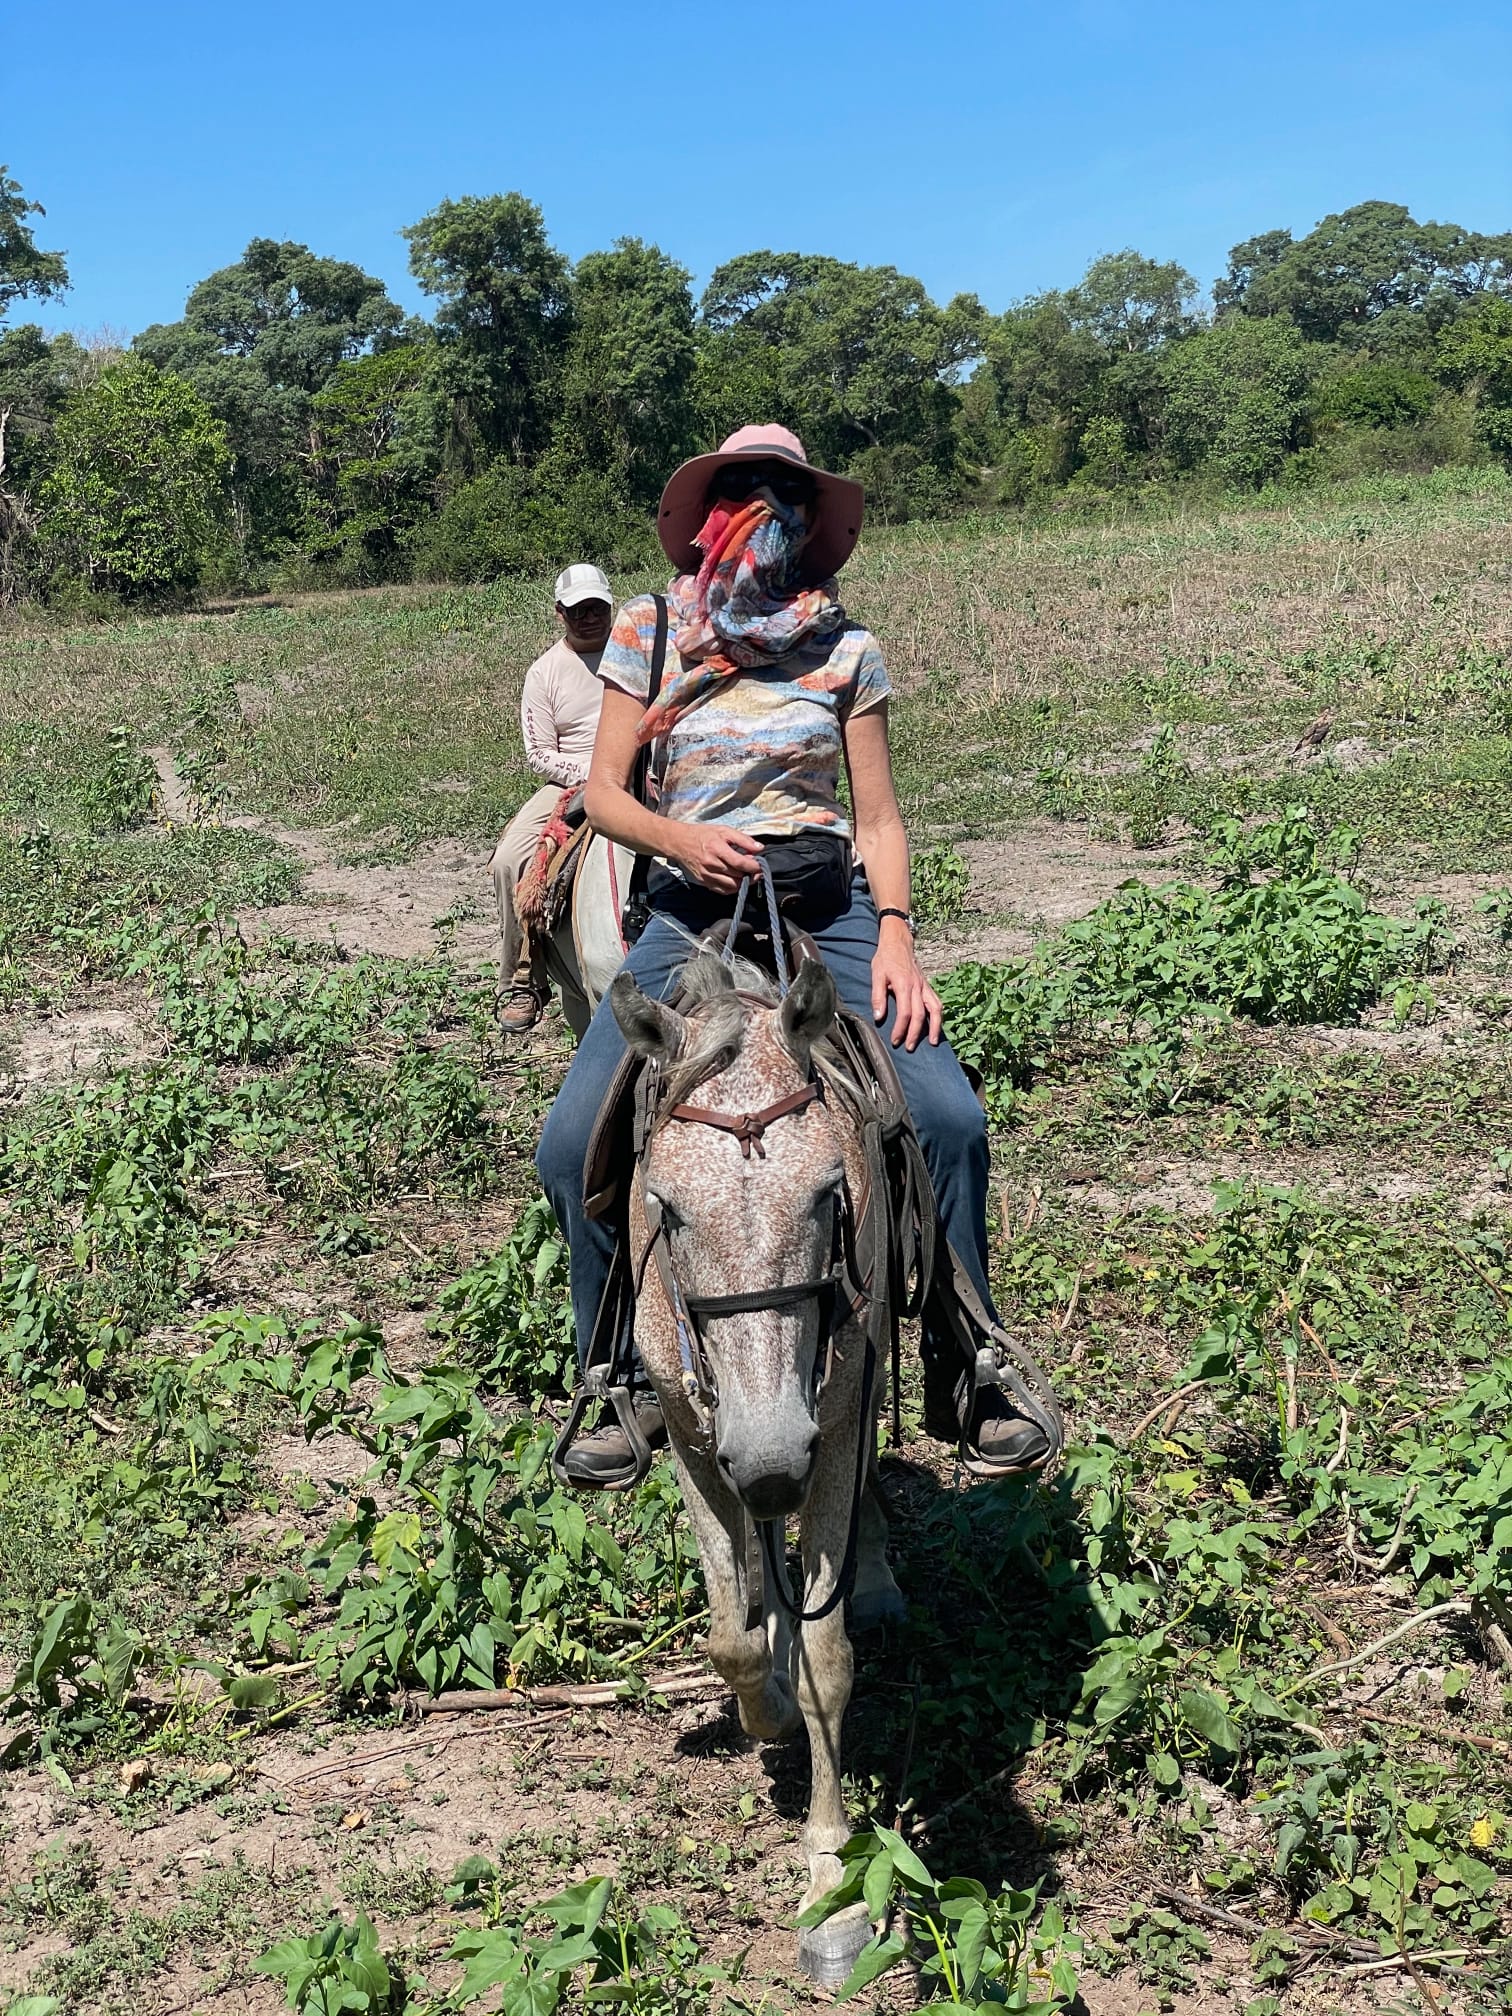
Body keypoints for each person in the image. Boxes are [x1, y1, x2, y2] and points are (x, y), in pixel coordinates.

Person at [536, 424, 1051, 1485]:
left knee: (948, 1117)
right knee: (569, 1141)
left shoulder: (847, 648)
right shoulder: (649, 631)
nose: (766, 511)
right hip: (690, 906)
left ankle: (969, 1359)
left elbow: (880, 817)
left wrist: (897, 932)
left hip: (826, 904)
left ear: (813, 522)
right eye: (745, 491)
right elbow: (605, 795)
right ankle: (615, 1376)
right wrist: (681, 841)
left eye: (787, 493)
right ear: (709, 517)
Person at [490, 564, 614, 1033]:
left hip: (639, 767)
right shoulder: (545, 673)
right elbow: (539, 753)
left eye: (597, 608)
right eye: (578, 610)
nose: (589, 618)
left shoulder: (635, 655)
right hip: (570, 781)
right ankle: (520, 978)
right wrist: (593, 772)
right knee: (509, 862)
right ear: (560, 613)